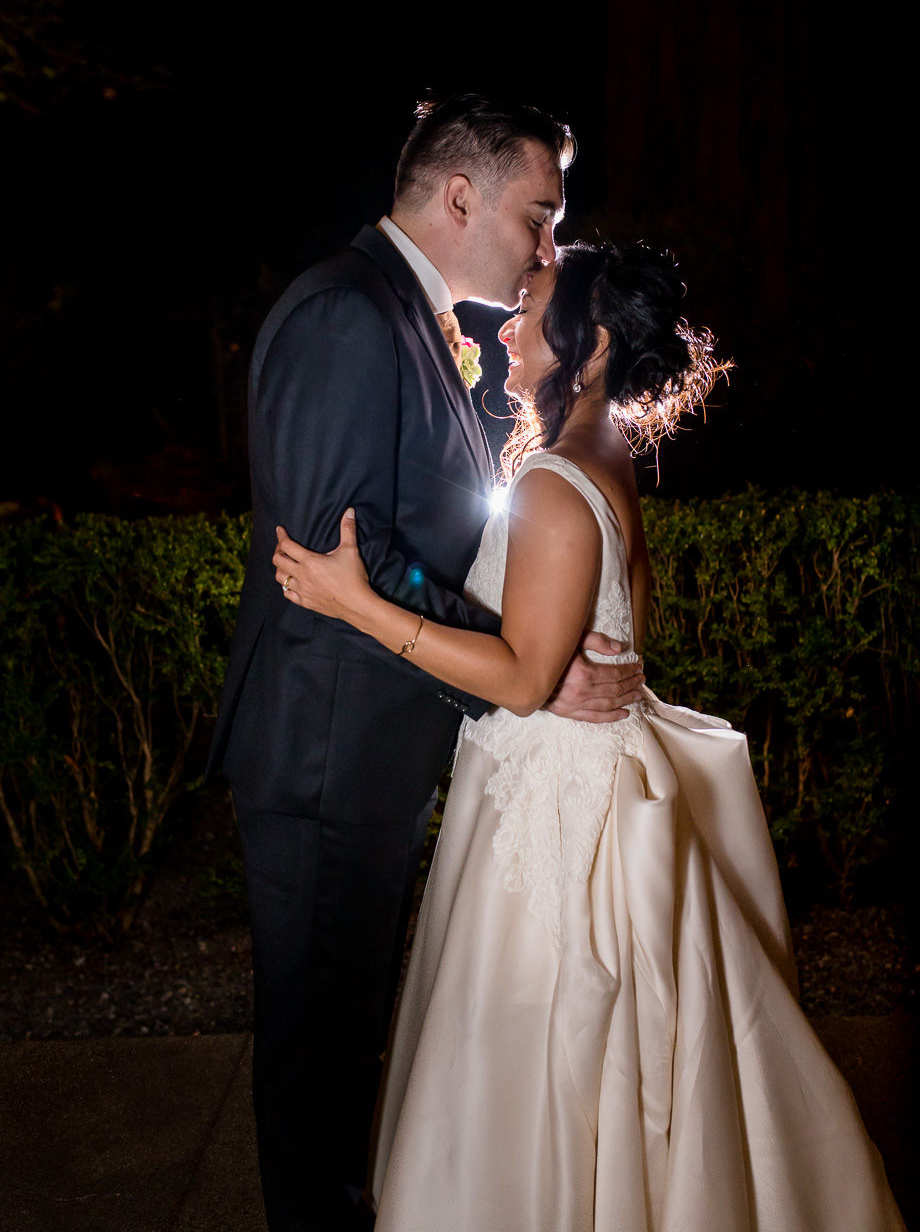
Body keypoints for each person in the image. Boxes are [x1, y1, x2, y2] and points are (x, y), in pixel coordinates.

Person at [272, 241, 905, 1231]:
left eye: (528, 305)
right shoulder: (599, 461)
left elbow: (523, 676)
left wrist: (355, 604)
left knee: (535, 1056)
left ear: (591, 340)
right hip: (579, 780)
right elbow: (586, 650)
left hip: (552, 814)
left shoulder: (552, 484)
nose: (506, 324)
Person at [205, 96, 646, 1232]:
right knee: (318, 1054)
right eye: (539, 215)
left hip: (368, 744)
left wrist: (524, 655)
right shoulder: (350, 314)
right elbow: (337, 548)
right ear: (461, 195)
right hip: (323, 751)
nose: (548, 248)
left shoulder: (406, 310)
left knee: (345, 1039)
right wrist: (518, 665)